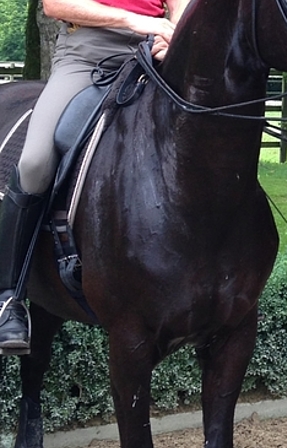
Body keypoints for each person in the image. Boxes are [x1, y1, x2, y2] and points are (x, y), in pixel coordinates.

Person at [0, 0, 191, 354]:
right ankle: (8, 297)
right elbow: (56, 5)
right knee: (34, 162)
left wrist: (175, 29)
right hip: (87, 54)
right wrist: (138, 22)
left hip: (156, 53)